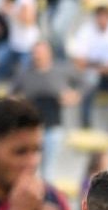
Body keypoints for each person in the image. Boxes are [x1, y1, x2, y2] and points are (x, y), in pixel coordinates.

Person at [13, 41, 79, 180]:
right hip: (31, 128)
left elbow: (86, 81)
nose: (37, 56)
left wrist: (75, 95)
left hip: (53, 127)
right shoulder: (25, 73)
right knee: (31, 170)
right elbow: (12, 93)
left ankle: (47, 199)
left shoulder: (60, 71)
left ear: (49, 54)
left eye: (41, 52)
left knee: (49, 172)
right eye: (35, 53)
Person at [68, 4, 108, 130]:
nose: (102, 20)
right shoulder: (85, 30)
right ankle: (85, 121)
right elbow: (79, 62)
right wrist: (103, 68)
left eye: (105, 16)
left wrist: (97, 66)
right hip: (95, 74)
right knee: (90, 79)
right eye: (100, 16)